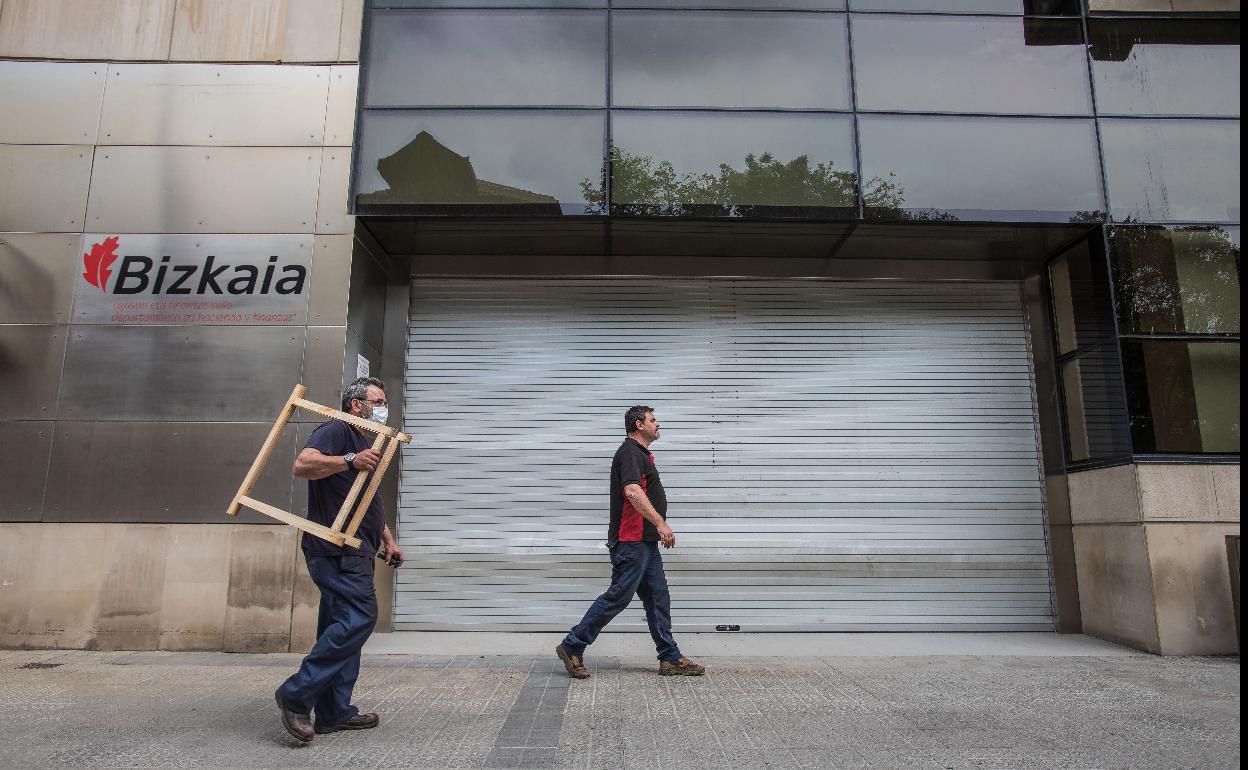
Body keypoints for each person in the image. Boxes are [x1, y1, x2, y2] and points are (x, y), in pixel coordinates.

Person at [274, 377, 405, 743]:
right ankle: (296, 694)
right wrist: (349, 460)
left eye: (384, 401)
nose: (383, 408)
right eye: (377, 401)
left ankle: (333, 712)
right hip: (335, 550)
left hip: (358, 549)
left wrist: (388, 540)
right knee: (360, 618)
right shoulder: (337, 429)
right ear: (356, 405)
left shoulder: (364, 440)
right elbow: (303, 464)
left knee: (342, 626)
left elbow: (368, 501)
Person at [555, 406, 705, 679]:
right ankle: (572, 645)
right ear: (639, 425)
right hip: (631, 542)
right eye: (653, 420)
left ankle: (669, 657)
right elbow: (632, 491)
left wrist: (655, 530)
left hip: (645, 543)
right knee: (618, 597)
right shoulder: (630, 453)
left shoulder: (641, 454)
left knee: (658, 598)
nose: (658, 424)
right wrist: (661, 523)